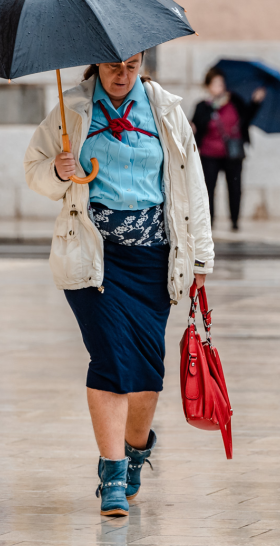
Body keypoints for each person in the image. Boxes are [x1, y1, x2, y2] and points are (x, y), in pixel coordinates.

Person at [25, 53, 214, 518]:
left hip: (154, 258)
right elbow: (34, 168)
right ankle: (111, 474)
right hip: (94, 257)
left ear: (142, 62)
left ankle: (134, 452)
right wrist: (58, 171)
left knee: (148, 374)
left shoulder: (166, 110)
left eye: (131, 65)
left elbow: (193, 185)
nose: (121, 75)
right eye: (112, 65)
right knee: (109, 358)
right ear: (96, 64)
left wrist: (202, 254)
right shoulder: (72, 111)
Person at [191, 67, 264, 231]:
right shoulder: (203, 106)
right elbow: (196, 126)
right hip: (209, 153)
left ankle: (235, 221)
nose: (219, 87)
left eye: (221, 84)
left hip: (233, 153)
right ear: (208, 86)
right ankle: (209, 221)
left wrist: (255, 102)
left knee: (235, 188)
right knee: (208, 189)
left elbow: (246, 118)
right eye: (215, 84)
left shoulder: (235, 101)